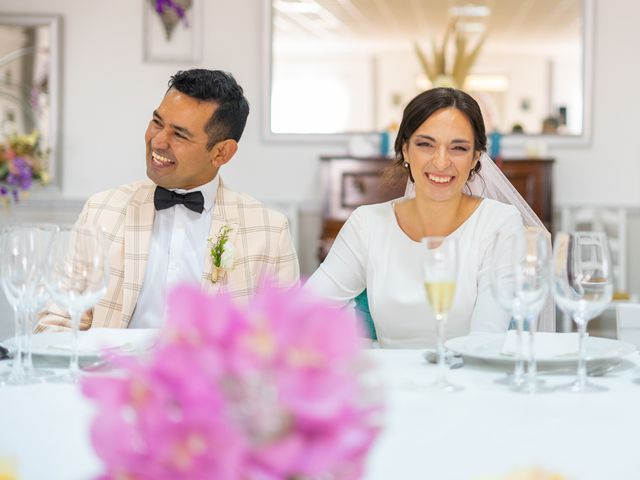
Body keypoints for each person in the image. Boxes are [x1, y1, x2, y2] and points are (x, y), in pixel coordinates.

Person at [37, 69, 299, 331]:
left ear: (221, 153)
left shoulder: (269, 231)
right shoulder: (101, 211)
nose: (158, 141)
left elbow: (284, 342)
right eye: (157, 122)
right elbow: (58, 322)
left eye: (180, 134)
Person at [306, 87, 552, 348]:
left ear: (475, 158)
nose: (441, 162)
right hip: (389, 383)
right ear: (406, 151)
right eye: (426, 144)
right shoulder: (367, 223)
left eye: (458, 148)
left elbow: (487, 339)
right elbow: (305, 310)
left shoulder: (499, 223)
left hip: (467, 382)